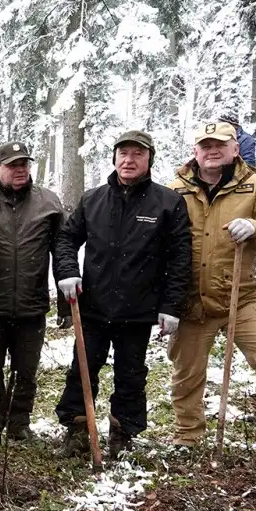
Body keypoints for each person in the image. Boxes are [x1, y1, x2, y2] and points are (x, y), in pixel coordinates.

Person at [168, 121, 256, 470]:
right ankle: (188, 437)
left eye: (221, 144)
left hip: (241, 297)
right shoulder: (174, 192)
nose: (212, 150)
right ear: (195, 152)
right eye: (205, 145)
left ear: (236, 149)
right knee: (186, 373)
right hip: (192, 301)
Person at [54, 130, 192, 459]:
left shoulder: (168, 202)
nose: (129, 161)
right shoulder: (93, 199)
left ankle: (123, 434)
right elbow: (66, 240)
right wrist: (68, 272)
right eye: (123, 154)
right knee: (82, 368)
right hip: (93, 306)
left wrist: (172, 306)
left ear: (149, 160)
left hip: (139, 309)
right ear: (114, 158)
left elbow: (180, 257)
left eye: (137, 155)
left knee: (131, 374)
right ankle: (76, 430)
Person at [0, 140, 65, 444]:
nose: (20, 170)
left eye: (24, 164)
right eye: (13, 165)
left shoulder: (49, 203)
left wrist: (64, 303)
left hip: (31, 304)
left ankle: (19, 423)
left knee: (26, 370)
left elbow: (62, 252)